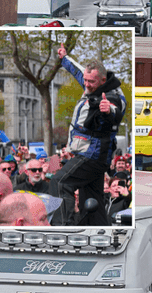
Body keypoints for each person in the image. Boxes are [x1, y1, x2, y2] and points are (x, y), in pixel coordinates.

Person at [49, 45, 125, 226]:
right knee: (91, 203)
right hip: (89, 154)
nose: (86, 85)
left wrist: (108, 111)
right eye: (86, 80)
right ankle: (99, 231)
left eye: (91, 82)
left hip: (93, 155)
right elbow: (78, 70)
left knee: (59, 183)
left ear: (102, 80)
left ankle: (60, 227)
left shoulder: (113, 96)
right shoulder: (91, 82)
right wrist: (64, 58)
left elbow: (116, 111)